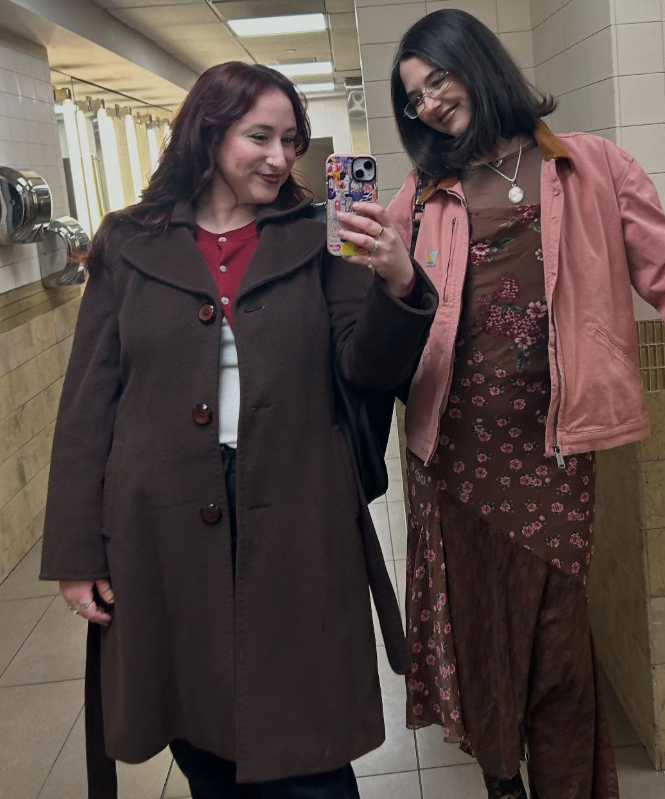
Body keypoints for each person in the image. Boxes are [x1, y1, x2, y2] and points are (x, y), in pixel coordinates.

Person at [384, 9, 665, 799]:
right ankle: (502, 781)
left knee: (558, 649)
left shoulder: (593, 167)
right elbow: (388, 324)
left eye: (437, 80)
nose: (430, 104)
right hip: (452, 458)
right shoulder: (419, 194)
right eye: (413, 98)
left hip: (552, 452)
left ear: (476, 64)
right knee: (484, 640)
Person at [39, 61, 437, 799]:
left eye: (291, 140)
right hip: (160, 518)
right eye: (261, 136)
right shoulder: (128, 242)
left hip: (296, 507)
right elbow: (90, 402)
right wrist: (75, 547)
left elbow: (368, 363)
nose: (280, 157)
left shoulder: (325, 234)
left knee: (309, 739)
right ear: (209, 132)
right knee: (202, 727)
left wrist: (397, 281)